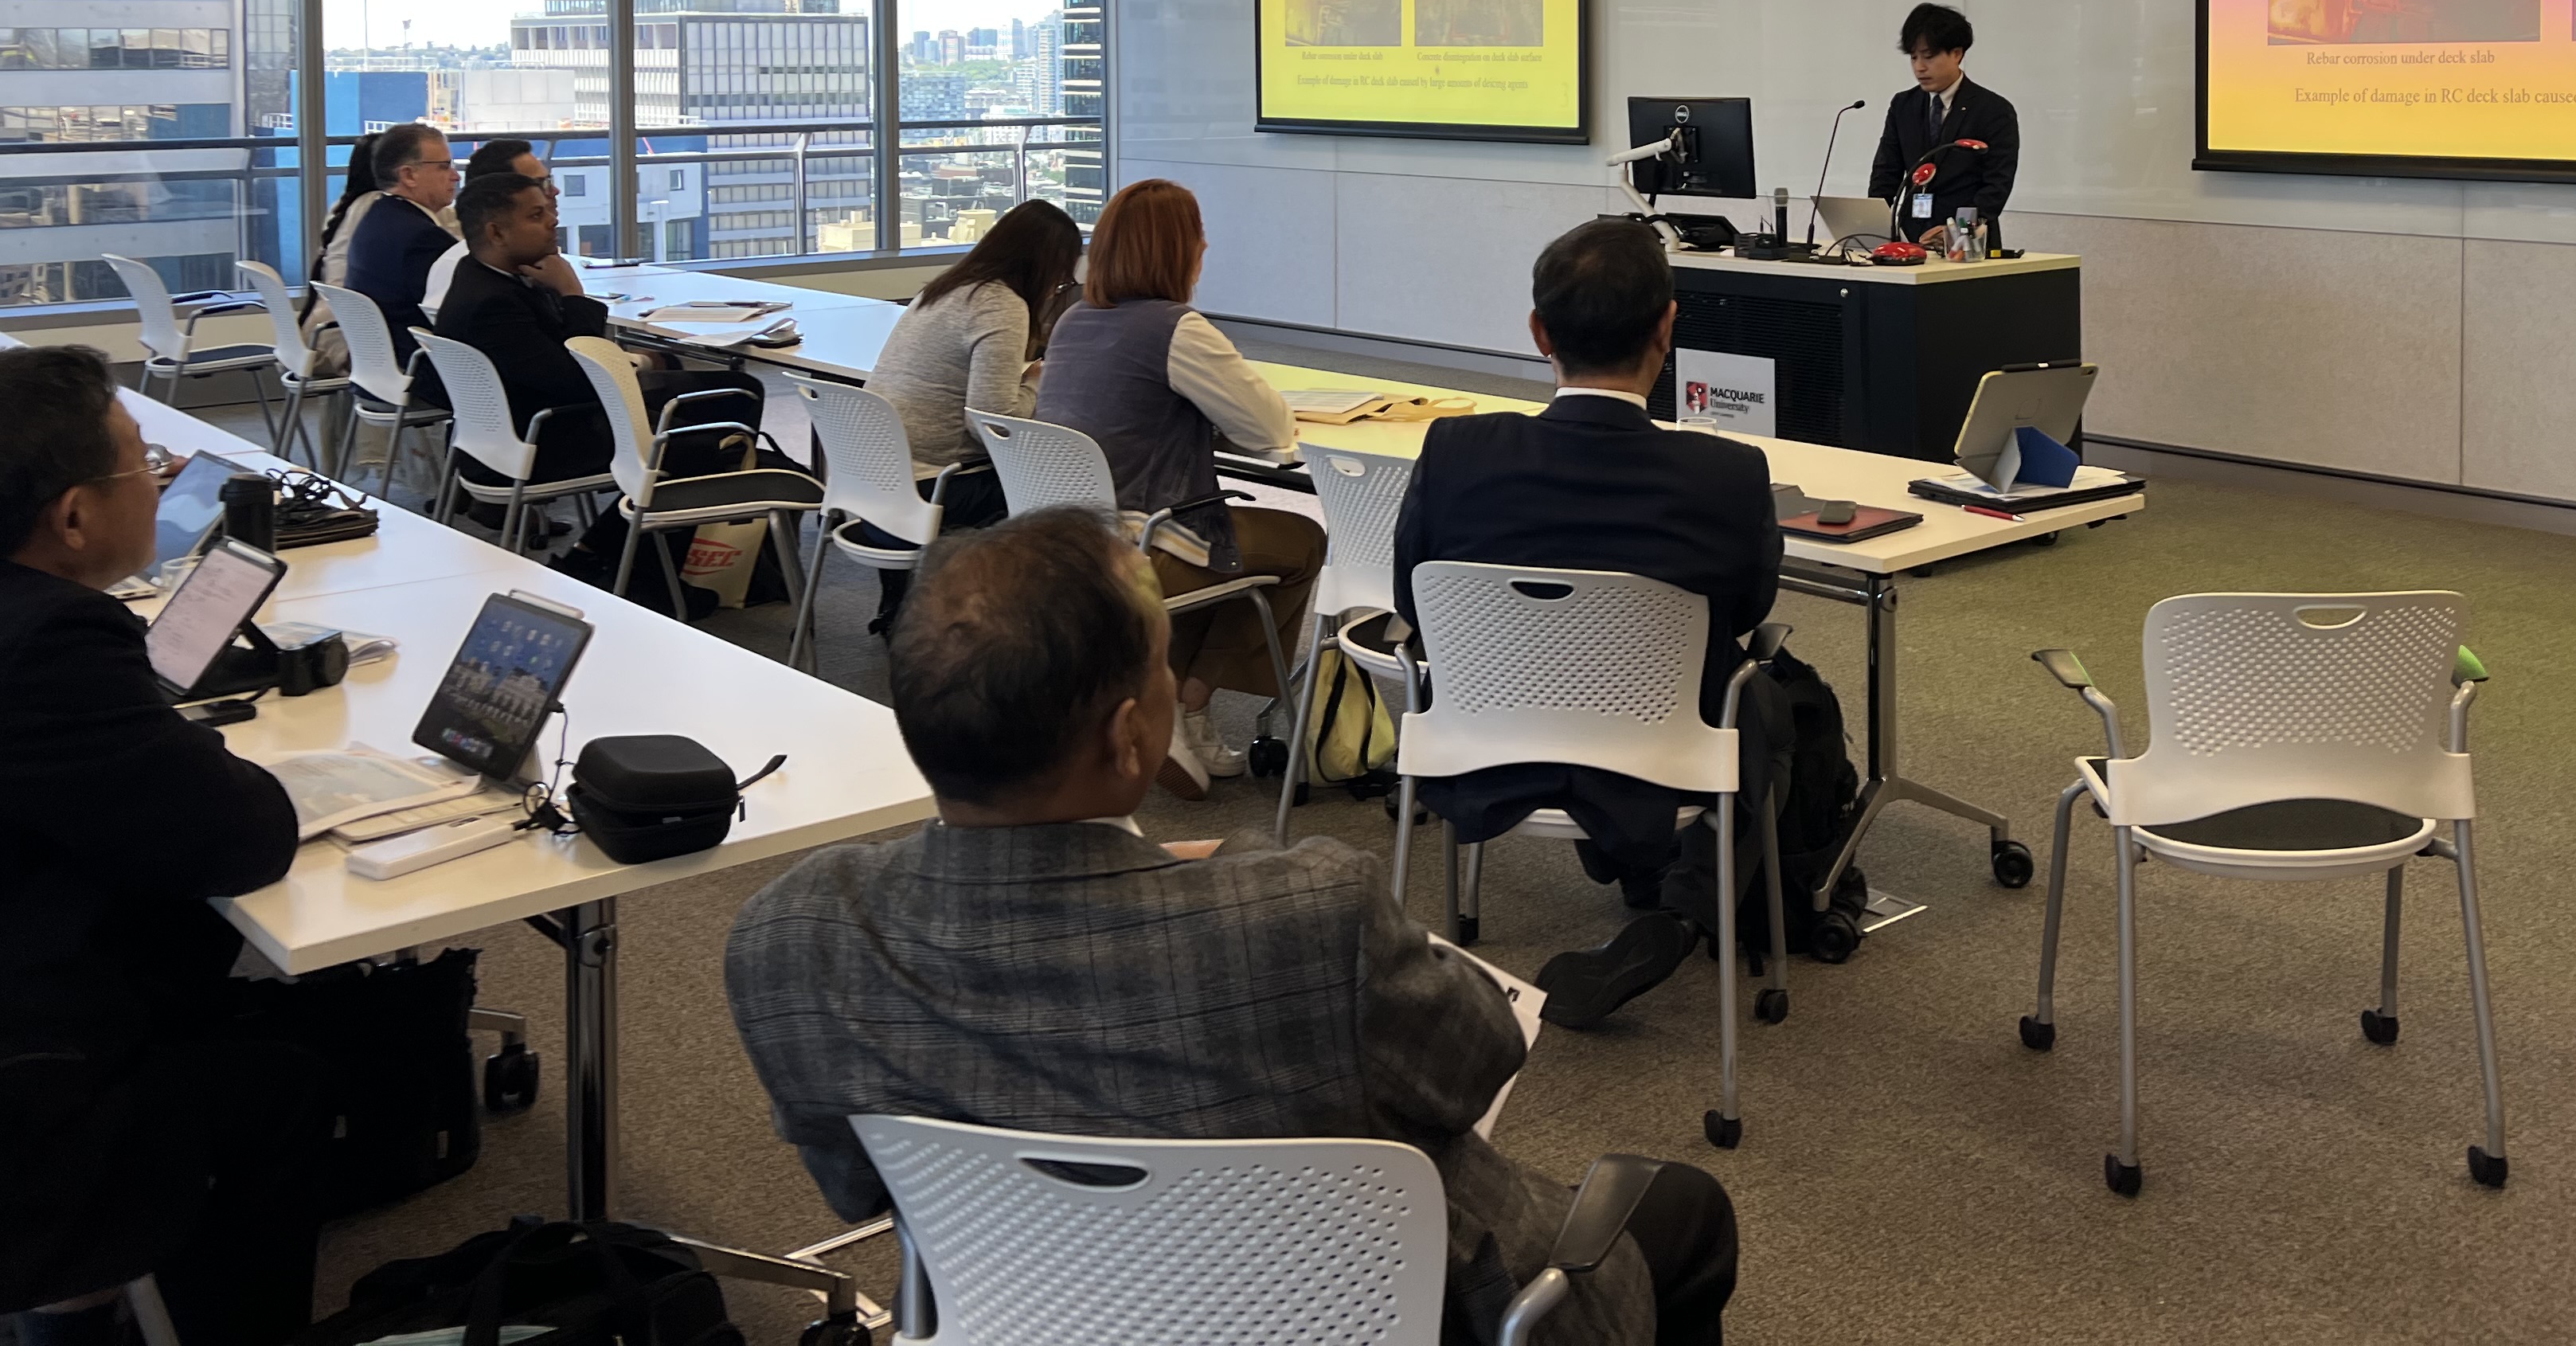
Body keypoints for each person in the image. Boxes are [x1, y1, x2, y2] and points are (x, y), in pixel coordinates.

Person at [725, 510, 1739, 1346]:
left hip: (1034, 1312)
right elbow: (1478, 1062)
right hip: (1387, 1306)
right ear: (1130, 738)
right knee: (1684, 1210)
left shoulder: (793, 936)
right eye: (1163, 668)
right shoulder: (1307, 915)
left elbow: (856, 1183)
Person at [1390, 219, 1792, 1030]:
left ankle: (1658, 887)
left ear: (1539, 332)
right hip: (1659, 755)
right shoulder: (1726, 473)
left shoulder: (1457, 452)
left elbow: (1411, 597)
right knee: (1779, 701)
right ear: (1667, 329)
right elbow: (1750, 610)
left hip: (1486, 746)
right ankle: (1686, 908)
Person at [0, 346, 321, 1346]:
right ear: (74, 518)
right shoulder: (52, 645)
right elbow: (244, 838)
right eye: (144, 464)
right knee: (284, 1078)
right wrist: (194, 754)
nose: (166, 481)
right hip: (33, 1069)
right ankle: (80, 1301)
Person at [1035, 178, 1323, 796]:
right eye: (1198, 236)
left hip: (1063, 541)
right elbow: (1272, 432)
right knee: (1298, 541)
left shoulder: (1072, 321)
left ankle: (1173, 707)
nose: (1206, 247)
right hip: (1140, 548)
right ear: (1175, 250)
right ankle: (1184, 705)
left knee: (1223, 542)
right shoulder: (1176, 329)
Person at [431, 170, 795, 607]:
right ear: (496, 232)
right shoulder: (494, 303)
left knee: (733, 391)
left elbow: (562, 365)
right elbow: (583, 381)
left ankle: (597, 553)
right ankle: (649, 583)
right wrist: (573, 293)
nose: (552, 220)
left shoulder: (482, 276)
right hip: (544, 438)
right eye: (536, 215)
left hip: (517, 426)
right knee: (702, 439)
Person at [860, 198, 1085, 631]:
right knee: (1065, 494)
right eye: (1061, 280)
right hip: (933, 489)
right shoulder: (1001, 305)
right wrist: (1036, 384)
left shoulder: (943, 289)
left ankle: (900, 610)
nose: (1056, 290)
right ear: (1043, 266)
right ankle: (1012, 632)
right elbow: (992, 423)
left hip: (875, 484)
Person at [1863, 1, 2019, 249]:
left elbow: (1997, 184)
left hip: (1968, 244)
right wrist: (1872, 228)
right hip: (1912, 237)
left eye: (1929, 56)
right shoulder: (1903, 105)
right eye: (1914, 57)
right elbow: (1886, 173)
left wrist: (1958, 230)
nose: (1919, 67)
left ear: (1957, 54)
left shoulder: (1993, 110)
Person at [302, 117, 444, 376]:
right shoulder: (379, 209)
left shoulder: (350, 205)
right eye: (443, 167)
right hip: (343, 335)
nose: (453, 176)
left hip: (336, 324)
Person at [343, 122, 459, 342]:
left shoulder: (376, 216)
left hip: (384, 354)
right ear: (409, 175)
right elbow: (456, 318)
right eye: (444, 167)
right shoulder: (423, 239)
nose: (456, 176)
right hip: (417, 356)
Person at [420, 135, 552, 320]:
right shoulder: (491, 294)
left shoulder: (473, 265)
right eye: (539, 184)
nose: (553, 191)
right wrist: (572, 292)